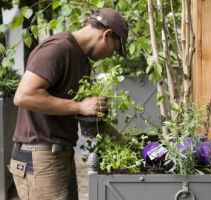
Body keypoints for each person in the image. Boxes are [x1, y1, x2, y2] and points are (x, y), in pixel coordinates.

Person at [8, 8, 128, 200]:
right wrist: (81, 106)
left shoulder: (81, 60)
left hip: (59, 154)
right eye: (114, 49)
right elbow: (24, 96)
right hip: (40, 155)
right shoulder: (58, 48)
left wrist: (124, 142)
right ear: (106, 35)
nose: (110, 55)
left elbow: (84, 115)